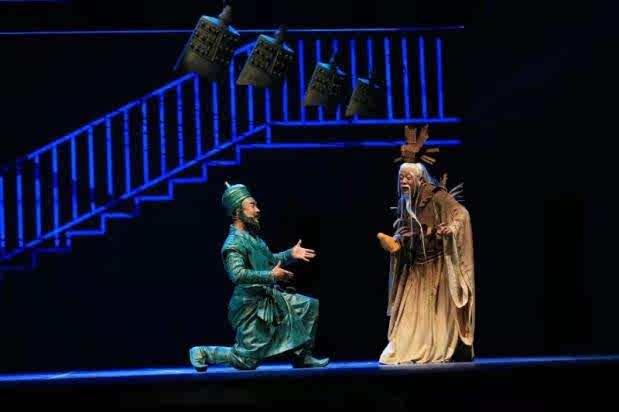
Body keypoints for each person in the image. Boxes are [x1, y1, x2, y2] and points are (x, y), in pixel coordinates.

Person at [189, 181, 329, 371]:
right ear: (237, 212)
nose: (258, 210)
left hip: (267, 296)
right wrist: (271, 276)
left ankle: (302, 357)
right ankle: (203, 352)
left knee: (307, 305)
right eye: (252, 206)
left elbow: (270, 261)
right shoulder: (233, 244)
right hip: (251, 304)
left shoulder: (254, 239)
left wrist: (290, 254)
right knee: (246, 361)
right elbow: (238, 275)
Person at [376, 126, 475, 364]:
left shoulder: (436, 195)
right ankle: (408, 348)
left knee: (434, 315)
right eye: (401, 178)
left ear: (420, 179)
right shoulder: (406, 202)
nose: (404, 181)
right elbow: (407, 228)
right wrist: (398, 240)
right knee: (408, 317)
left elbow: (461, 213)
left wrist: (452, 227)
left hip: (436, 267)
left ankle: (434, 347)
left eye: (408, 177)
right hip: (415, 267)